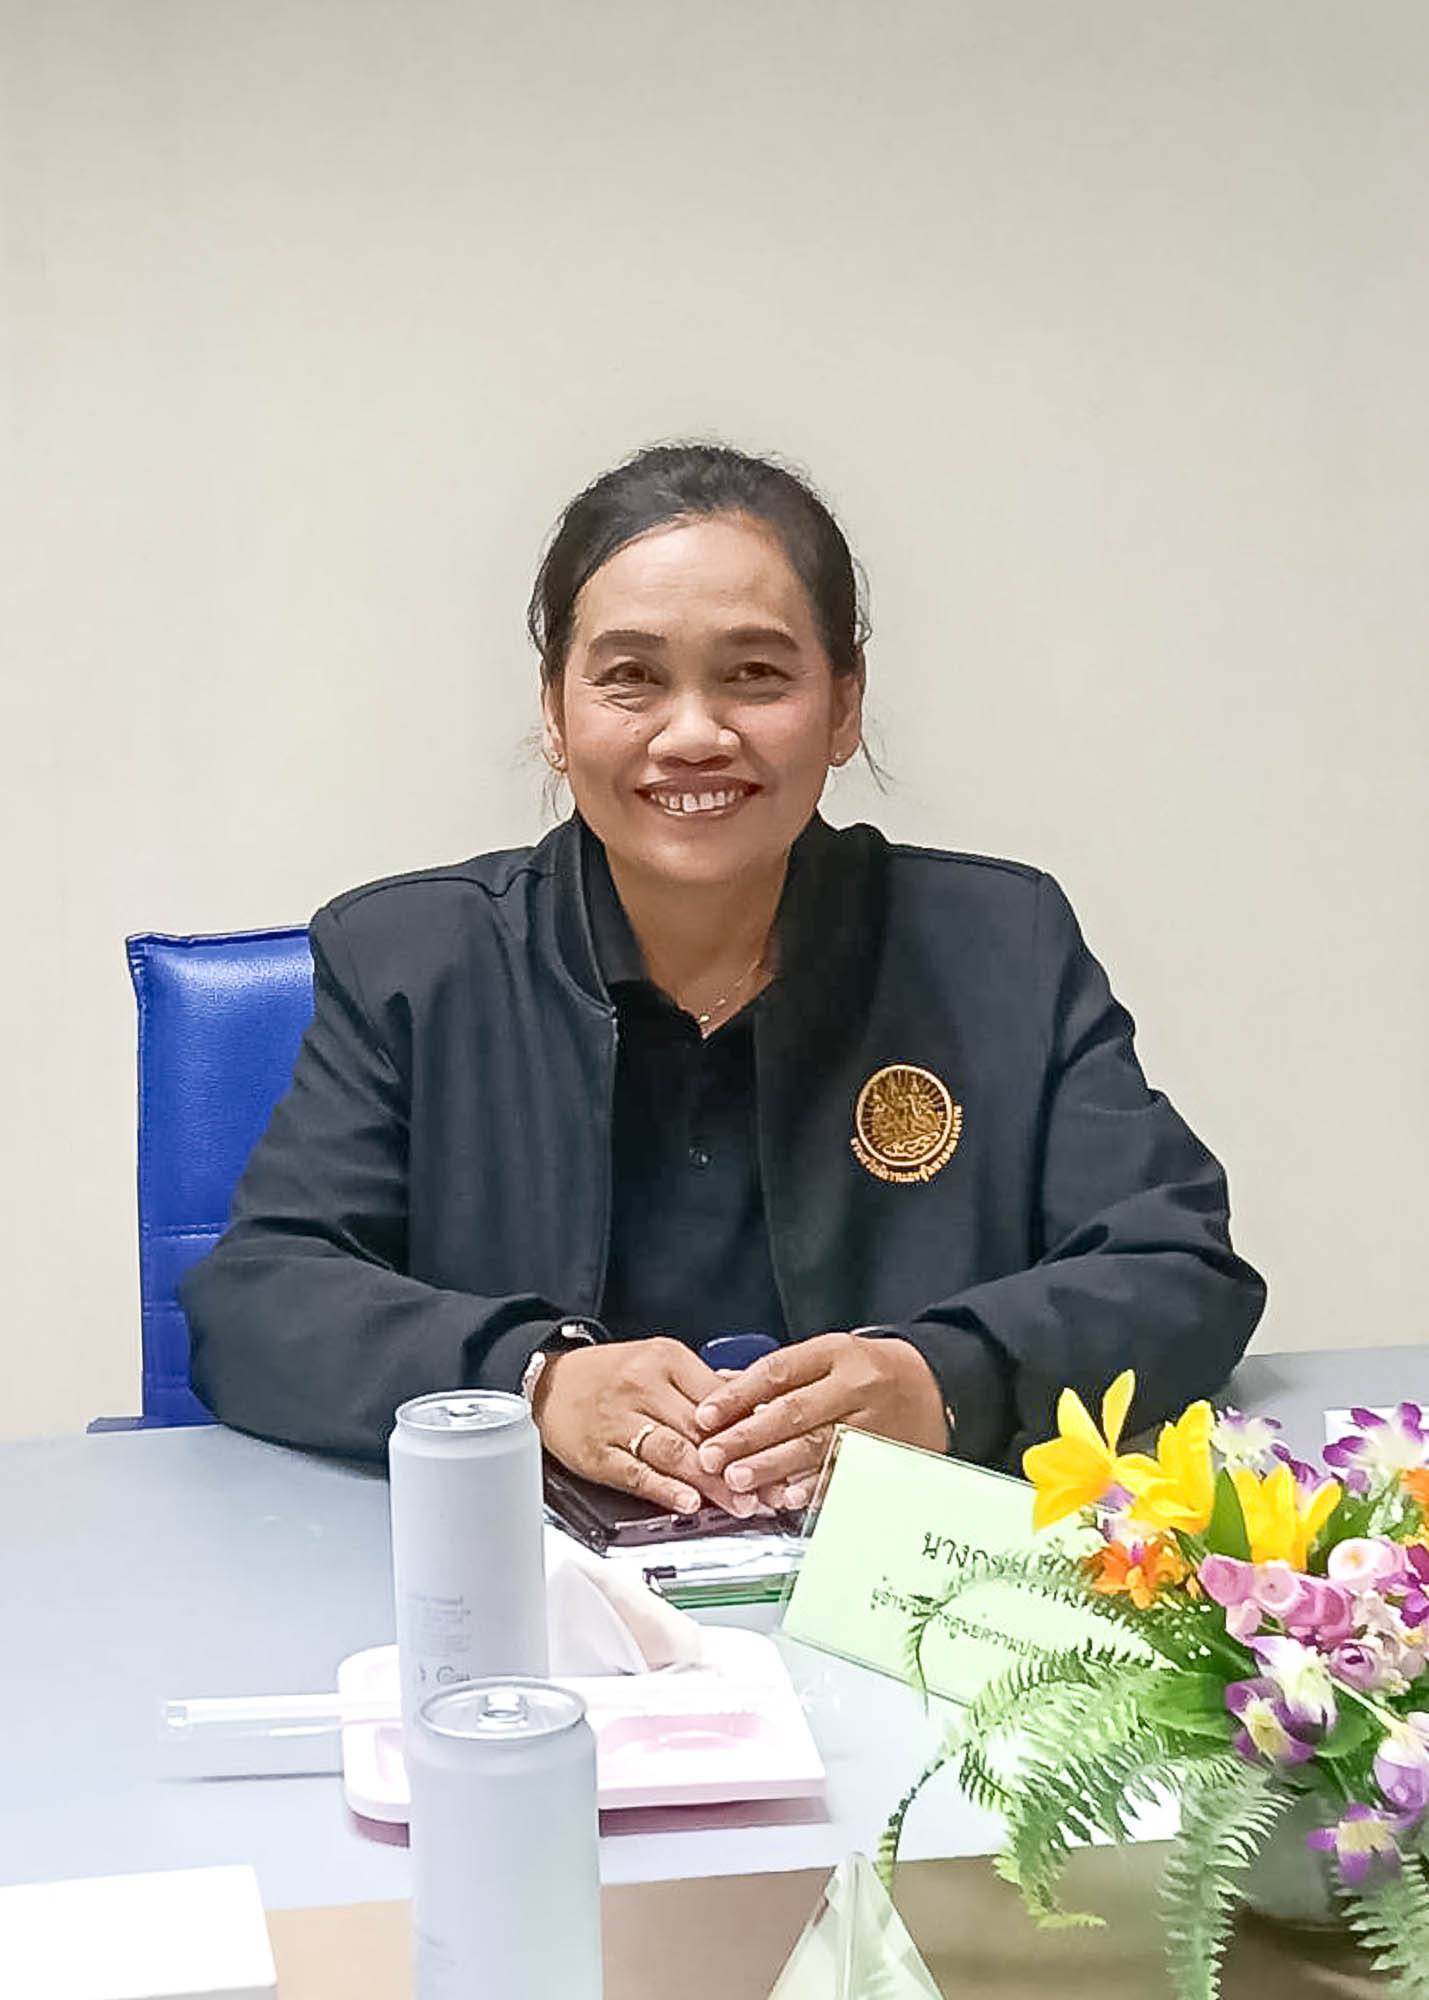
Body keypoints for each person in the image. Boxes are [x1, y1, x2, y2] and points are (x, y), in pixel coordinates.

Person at [182, 443, 1265, 1517]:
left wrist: (942, 1381)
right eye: (631, 678)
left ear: (842, 705)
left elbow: (1178, 1266)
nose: (694, 734)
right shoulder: (411, 962)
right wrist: (532, 1379)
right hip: (522, 1581)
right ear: (555, 713)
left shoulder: (998, 945)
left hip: (907, 1581)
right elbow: (257, 1300)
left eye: (755, 675)